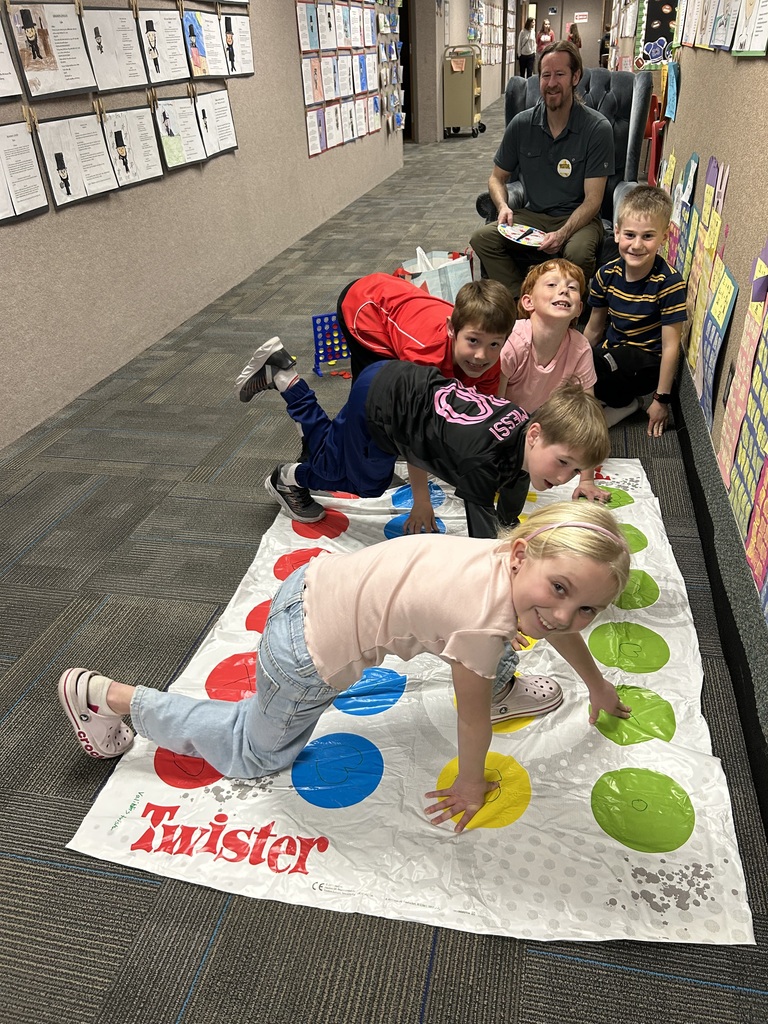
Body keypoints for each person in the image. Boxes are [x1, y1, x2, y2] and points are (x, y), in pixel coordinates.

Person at [57, 501, 632, 833]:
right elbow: (473, 720)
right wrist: (469, 782)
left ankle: (133, 699)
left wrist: (597, 684)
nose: (564, 615)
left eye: (587, 609)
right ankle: (111, 698)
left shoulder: (502, 556)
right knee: (252, 751)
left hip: (307, 584)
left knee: (518, 636)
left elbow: (553, 626)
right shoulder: (483, 623)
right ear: (525, 554)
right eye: (559, 589)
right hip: (306, 655)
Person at [235, 338, 610, 539]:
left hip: (402, 383)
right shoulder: (483, 460)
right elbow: (482, 552)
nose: (563, 479)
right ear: (535, 434)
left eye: (575, 471)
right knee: (352, 479)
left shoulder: (525, 431)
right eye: (563, 463)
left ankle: (288, 381)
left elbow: (511, 489)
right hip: (383, 403)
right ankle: (286, 473)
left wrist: (513, 527)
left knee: (344, 454)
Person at [469, 41, 614, 301]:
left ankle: (566, 315)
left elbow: (594, 200)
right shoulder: (522, 124)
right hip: (534, 216)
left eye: (560, 74)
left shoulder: (597, 128)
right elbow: (496, 178)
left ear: (575, 77)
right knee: (482, 238)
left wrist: (562, 234)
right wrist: (502, 206)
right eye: (546, 75)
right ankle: (521, 303)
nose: (551, 83)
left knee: (579, 253)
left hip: (579, 219)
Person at [496, 258, 607, 526]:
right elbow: (492, 405)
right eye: (552, 284)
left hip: (533, 421)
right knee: (486, 471)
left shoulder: (579, 348)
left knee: (520, 475)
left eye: (571, 288)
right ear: (528, 302)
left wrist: (587, 478)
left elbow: (587, 421)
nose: (563, 291)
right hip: (497, 418)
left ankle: (507, 521)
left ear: (579, 308)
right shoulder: (514, 342)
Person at [583, 185, 687, 435]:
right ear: (617, 233)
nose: (637, 245)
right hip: (613, 352)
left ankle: (625, 404)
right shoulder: (606, 274)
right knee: (578, 356)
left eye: (648, 236)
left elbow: (671, 345)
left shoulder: (669, 283)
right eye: (629, 235)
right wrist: (574, 359)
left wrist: (661, 400)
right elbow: (594, 328)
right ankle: (603, 393)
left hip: (646, 363)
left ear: (664, 237)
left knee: (600, 363)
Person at [333, 273, 516, 395]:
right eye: (473, 340)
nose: (481, 355)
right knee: (374, 389)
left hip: (403, 306)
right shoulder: (423, 356)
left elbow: (488, 407)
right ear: (451, 329)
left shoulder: (491, 360)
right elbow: (418, 412)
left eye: (494, 344)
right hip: (365, 306)